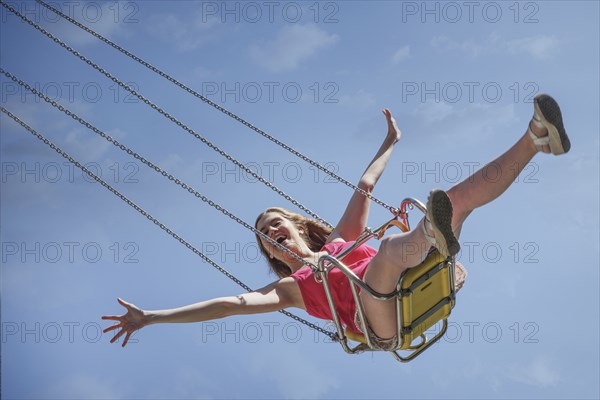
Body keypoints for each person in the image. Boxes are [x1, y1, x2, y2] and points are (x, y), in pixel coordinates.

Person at [102, 94, 571, 349]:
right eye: (265, 236)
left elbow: (364, 185)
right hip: (383, 322)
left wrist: (390, 141)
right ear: (270, 254)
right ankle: (432, 232)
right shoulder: (290, 290)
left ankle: (535, 139)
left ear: (298, 227)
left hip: (409, 277)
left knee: (454, 198)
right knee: (387, 252)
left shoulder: (341, 241)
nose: (272, 233)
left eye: (276, 223)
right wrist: (151, 318)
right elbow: (229, 305)